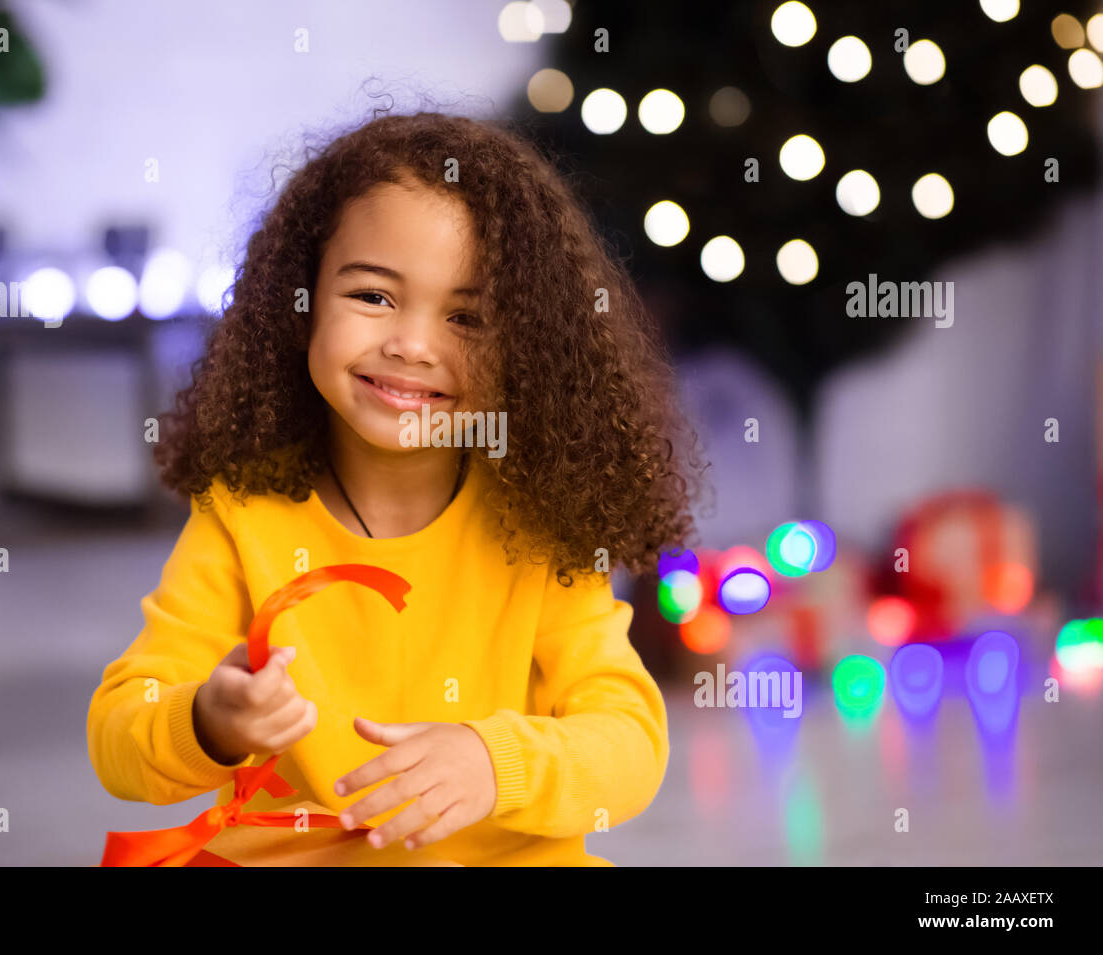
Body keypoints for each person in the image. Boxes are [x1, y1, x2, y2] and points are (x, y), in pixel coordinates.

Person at [87, 111, 704, 866]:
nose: (412, 344)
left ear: (533, 347)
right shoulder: (242, 514)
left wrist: (493, 761)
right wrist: (207, 720)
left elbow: (629, 746)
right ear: (301, 299)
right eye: (373, 296)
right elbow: (122, 734)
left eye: (467, 316)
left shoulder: (543, 525)